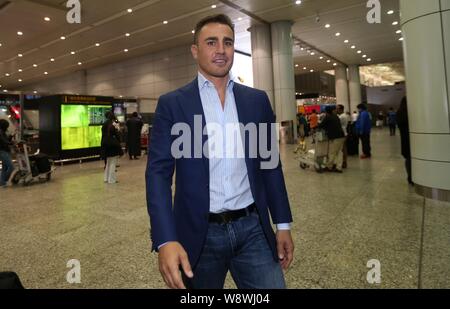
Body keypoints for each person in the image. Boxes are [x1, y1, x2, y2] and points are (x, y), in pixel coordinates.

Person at [146, 14, 294, 289]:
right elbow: (158, 174)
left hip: (253, 229)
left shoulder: (256, 101)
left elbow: (270, 165)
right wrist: (165, 239)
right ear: (195, 50)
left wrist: (283, 224)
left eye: (227, 42)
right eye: (211, 42)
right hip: (198, 235)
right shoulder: (173, 104)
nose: (221, 50)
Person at [318, 106, 345, 173]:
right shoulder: (336, 116)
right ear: (332, 111)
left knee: (332, 152)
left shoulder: (328, 117)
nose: (335, 111)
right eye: (334, 110)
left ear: (327, 111)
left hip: (335, 137)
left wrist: (316, 126)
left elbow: (321, 125)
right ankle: (339, 167)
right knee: (339, 152)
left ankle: (329, 167)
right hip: (341, 136)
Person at [102, 112, 122, 184]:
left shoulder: (104, 124)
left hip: (106, 144)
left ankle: (106, 178)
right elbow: (117, 134)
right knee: (113, 163)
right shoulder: (114, 124)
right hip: (113, 145)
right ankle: (112, 180)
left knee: (108, 162)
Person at [397, 97, 413, 185]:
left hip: (404, 139)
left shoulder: (399, 112)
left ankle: (410, 177)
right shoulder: (408, 113)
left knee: (408, 158)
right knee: (410, 158)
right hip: (410, 138)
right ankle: (411, 177)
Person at [0, 119, 14, 187]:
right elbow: (3, 141)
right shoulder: (0, 132)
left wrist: (11, 137)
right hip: (3, 151)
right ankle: (3, 180)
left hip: (5, 151)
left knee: (4, 168)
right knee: (11, 167)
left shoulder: (2, 132)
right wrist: (11, 142)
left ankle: (2, 182)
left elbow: (6, 140)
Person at [337, 104, 349, 169]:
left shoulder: (341, 117)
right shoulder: (344, 115)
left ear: (341, 109)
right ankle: (344, 162)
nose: (337, 110)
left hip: (342, 133)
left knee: (343, 149)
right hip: (344, 133)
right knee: (344, 148)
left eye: (338, 109)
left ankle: (344, 162)